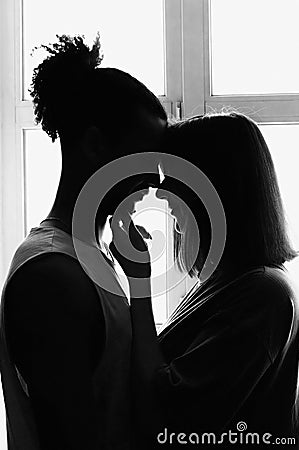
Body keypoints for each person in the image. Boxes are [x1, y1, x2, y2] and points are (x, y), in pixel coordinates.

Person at [0, 34, 167, 450]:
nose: (157, 179)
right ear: (94, 145)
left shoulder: (92, 257)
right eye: (144, 157)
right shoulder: (53, 277)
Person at [110, 112, 299, 449]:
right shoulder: (228, 283)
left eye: (175, 179)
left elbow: (166, 426)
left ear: (217, 188)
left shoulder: (262, 296)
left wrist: (140, 284)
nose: (163, 195)